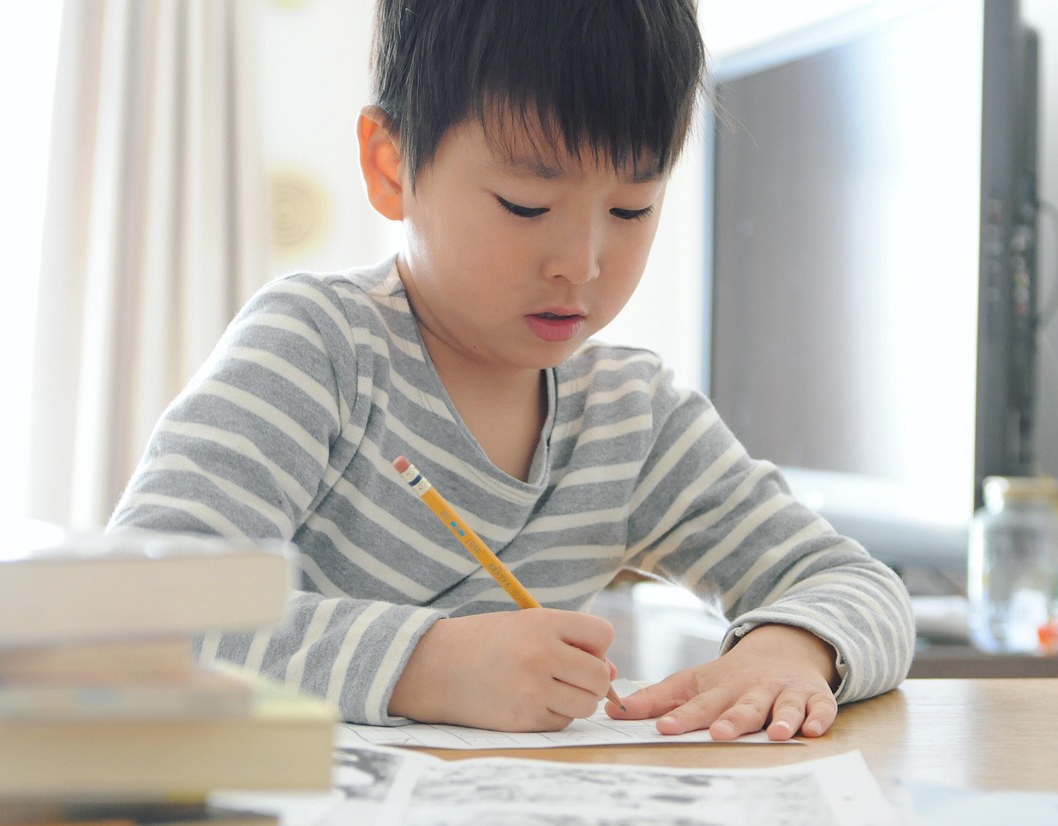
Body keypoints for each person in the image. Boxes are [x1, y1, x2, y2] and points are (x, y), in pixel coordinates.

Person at [109, 0, 915, 739]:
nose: (581, 263)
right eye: (526, 206)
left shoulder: (632, 420)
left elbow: (853, 582)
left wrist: (789, 649)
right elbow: (133, 613)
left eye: (632, 208)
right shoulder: (319, 349)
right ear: (392, 167)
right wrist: (430, 666)